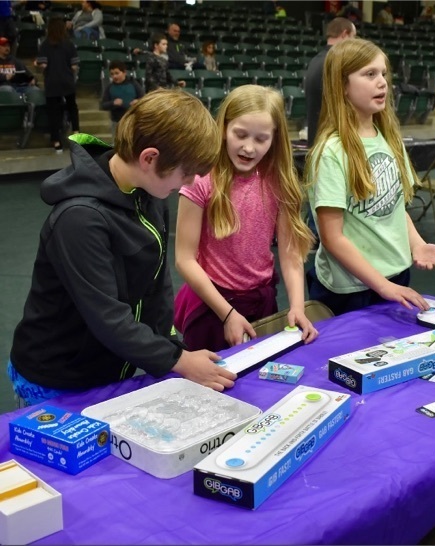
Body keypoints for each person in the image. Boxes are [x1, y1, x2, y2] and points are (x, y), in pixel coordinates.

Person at [7, 90, 237, 407]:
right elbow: (108, 317)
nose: (186, 184)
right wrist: (179, 361)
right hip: (57, 377)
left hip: (112, 365)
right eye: (185, 173)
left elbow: (156, 283)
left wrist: (173, 347)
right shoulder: (79, 219)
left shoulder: (150, 194)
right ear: (150, 158)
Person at [304, 38, 435, 316]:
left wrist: (417, 244)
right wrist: (382, 285)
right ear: (343, 86)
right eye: (369, 74)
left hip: (394, 275)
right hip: (352, 288)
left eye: (383, 73)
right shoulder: (331, 151)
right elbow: (332, 237)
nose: (382, 82)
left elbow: (394, 207)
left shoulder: (387, 139)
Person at [174, 85, 318, 352]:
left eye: (261, 139)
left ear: (275, 138)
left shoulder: (278, 181)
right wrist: (227, 314)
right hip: (212, 305)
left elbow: (289, 252)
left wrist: (297, 306)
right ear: (224, 128)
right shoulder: (201, 181)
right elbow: (184, 259)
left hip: (261, 304)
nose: (249, 148)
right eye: (240, 135)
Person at [304, 16, 356, 243]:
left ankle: (315, 234)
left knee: (318, 195)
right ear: (345, 34)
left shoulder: (317, 60)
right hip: (332, 143)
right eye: (354, 37)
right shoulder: (336, 63)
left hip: (318, 139)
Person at [35, 17, 79, 153]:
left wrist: (36, 64)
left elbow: (43, 65)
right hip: (67, 81)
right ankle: (76, 133)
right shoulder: (69, 44)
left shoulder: (45, 44)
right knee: (72, 107)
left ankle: (56, 142)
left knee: (53, 112)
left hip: (52, 82)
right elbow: (74, 66)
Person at [100, 60, 144, 138]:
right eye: (112, 74)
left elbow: (144, 98)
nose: (114, 76)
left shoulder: (133, 84)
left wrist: (138, 101)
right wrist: (113, 103)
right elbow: (103, 105)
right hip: (117, 121)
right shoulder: (109, 87)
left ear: (124, 72)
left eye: (117, 73)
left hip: (133, 121)